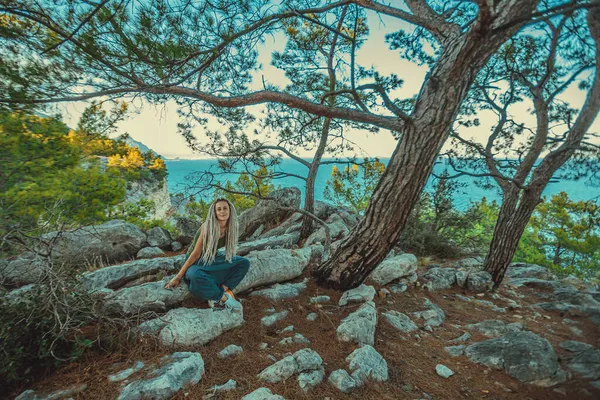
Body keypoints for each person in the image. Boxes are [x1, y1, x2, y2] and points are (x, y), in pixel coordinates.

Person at [164, 198, 249, 312]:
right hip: (196, 261)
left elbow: (228, 253)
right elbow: (195, 254)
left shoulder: (232, 227)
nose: (222, 211)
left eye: (225, 208)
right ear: (214, 212)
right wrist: (178, 277)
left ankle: (224, 288)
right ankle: (223, 298)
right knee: (195, 276)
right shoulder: (207, 227)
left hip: (213, 259)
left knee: (244, 263)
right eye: (218, 209)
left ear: (230, 210)